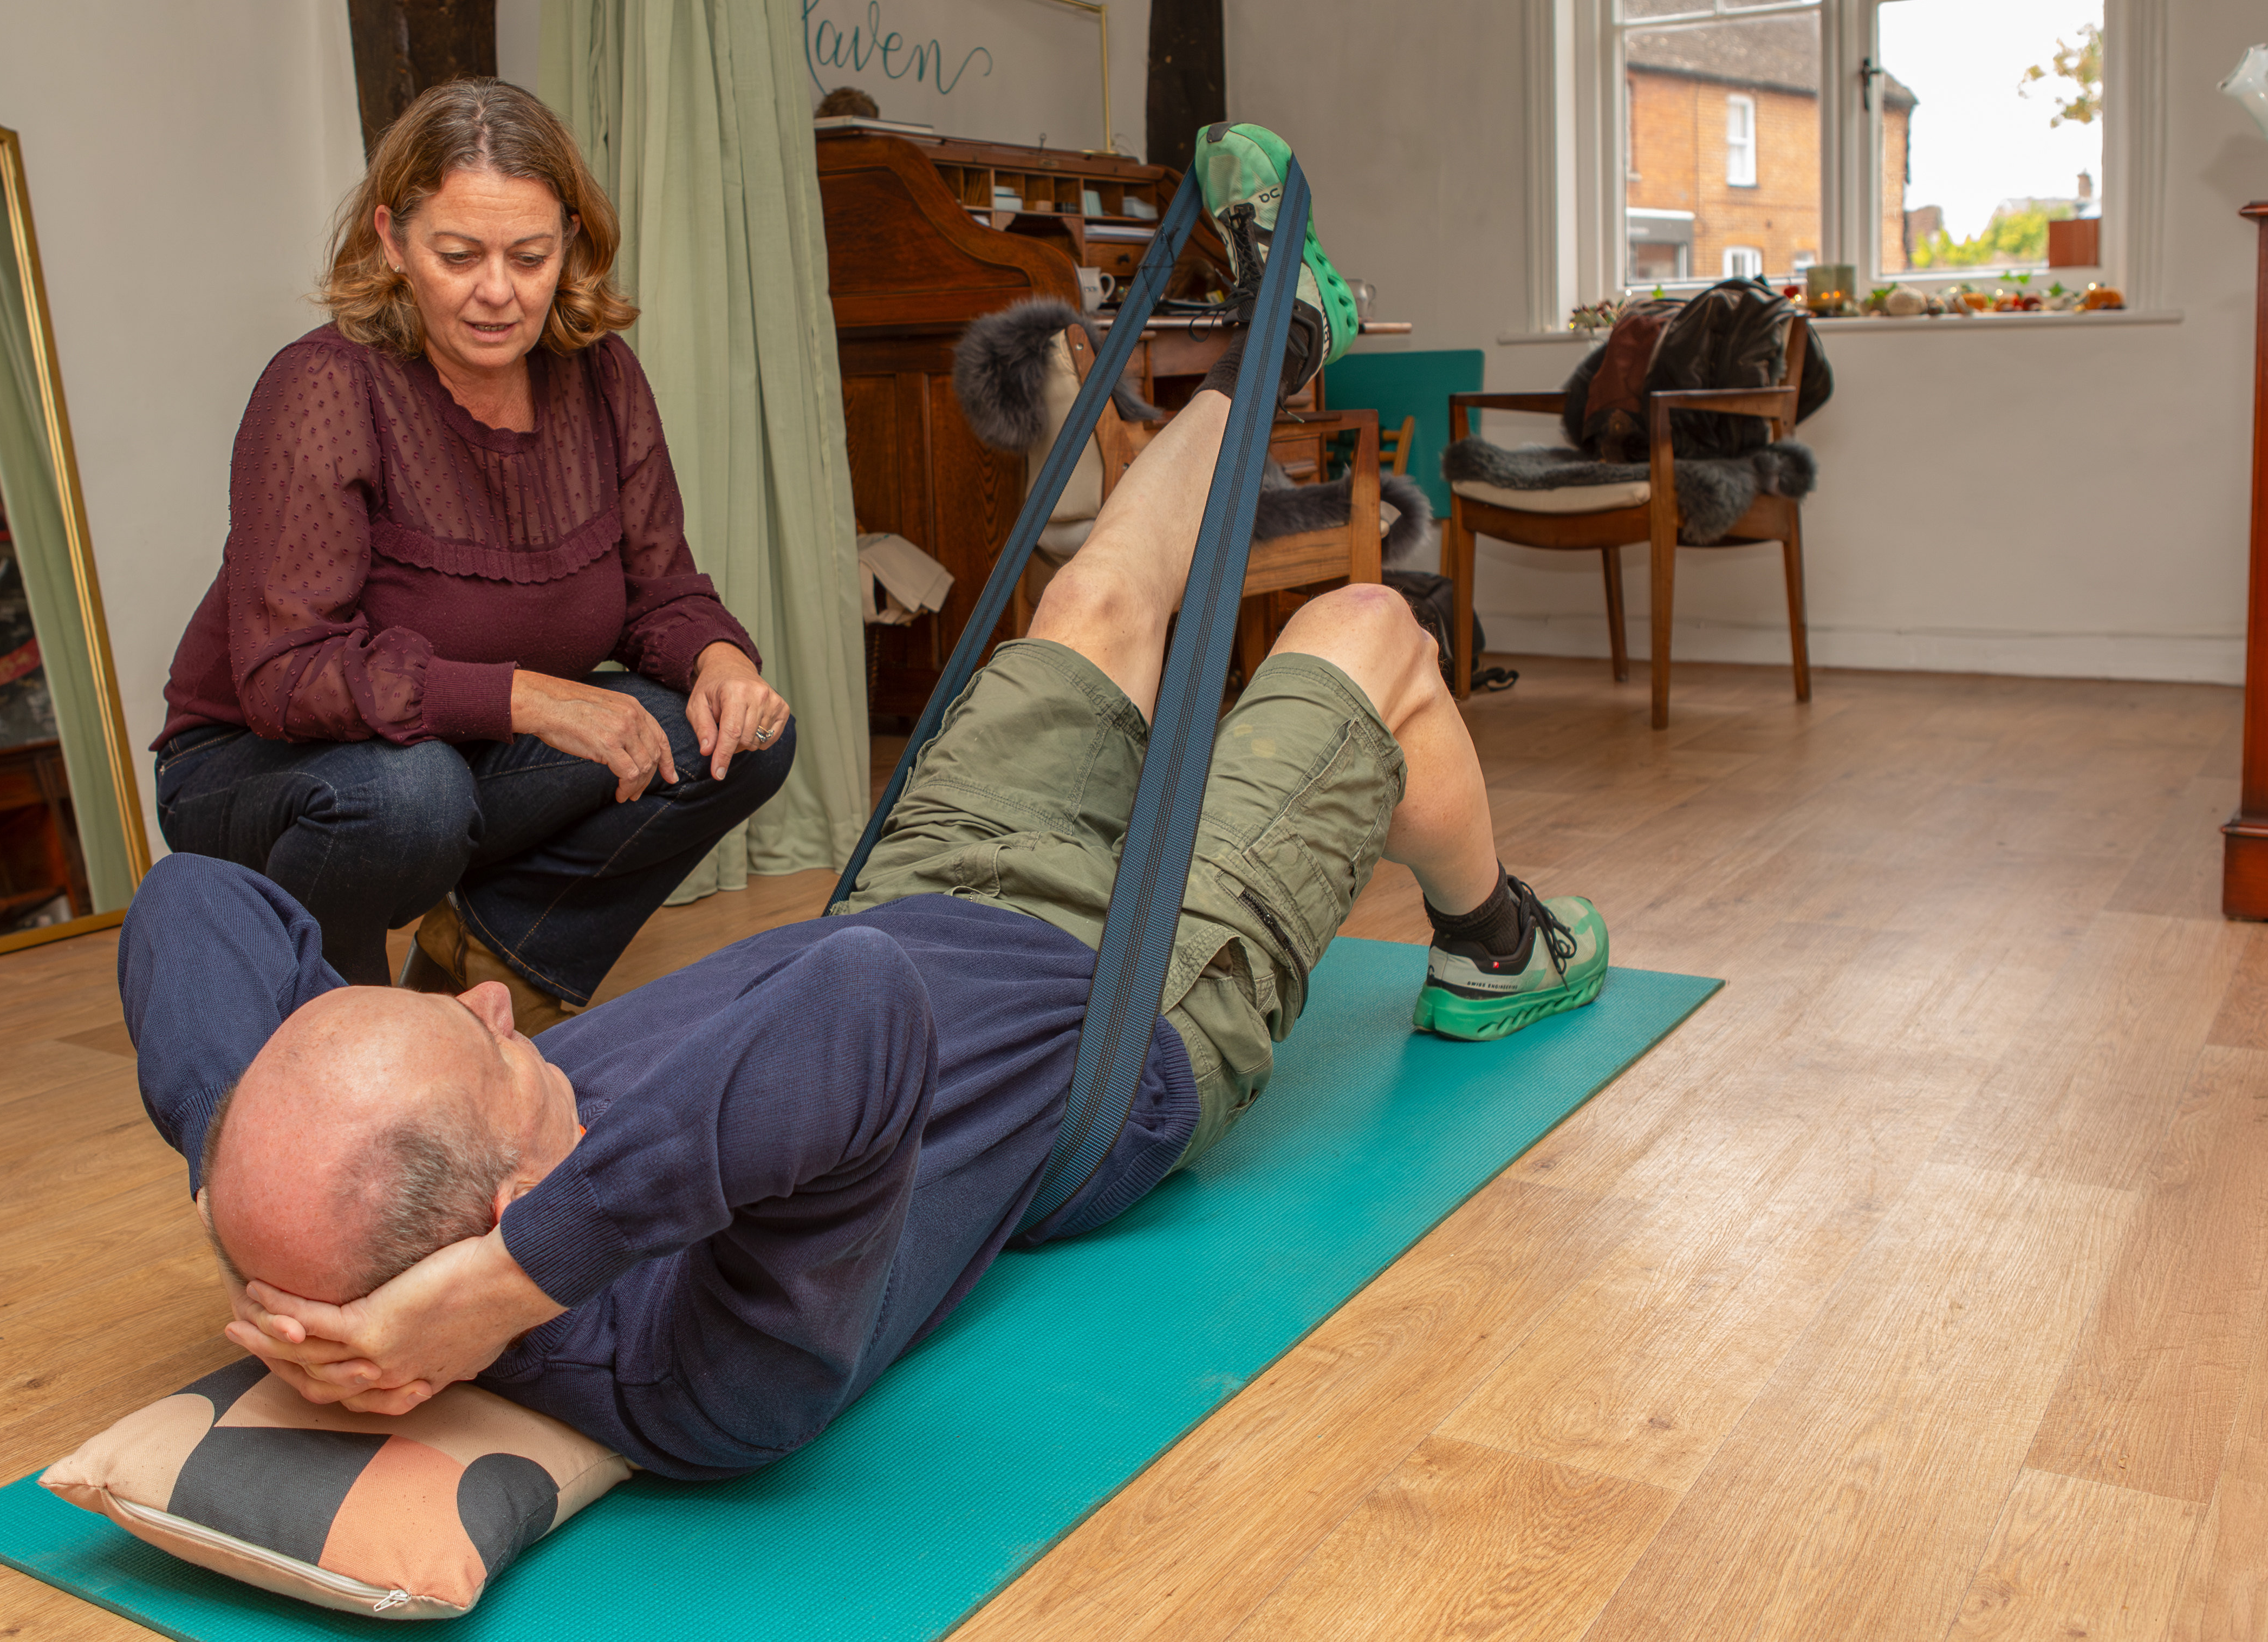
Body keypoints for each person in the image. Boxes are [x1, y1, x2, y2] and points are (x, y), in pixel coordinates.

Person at [118, 125, 1607, 1481]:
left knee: (1088, 600)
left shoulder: (442, 1202)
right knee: (1362, 633)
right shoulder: (690, 1367)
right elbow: (853, 997)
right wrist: (516, 1287)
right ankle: (1495, 943)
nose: (508, 1010)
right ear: (507, 1205)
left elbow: (196, 898)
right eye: (480, 1045)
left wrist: (238, 1172)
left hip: (943, 885)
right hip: (1124, 1005)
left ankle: (1276, 347)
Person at [153, 80, 795, 1007]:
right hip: (258, 767)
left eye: (529, 256)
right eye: (458, 255)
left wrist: (722, 659)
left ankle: (491, 962)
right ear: (392, 241)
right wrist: (531, 700)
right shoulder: (323, 387)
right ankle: (338, 1030)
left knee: (737, 738)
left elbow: (659, 589)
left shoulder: (601, 378)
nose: (498, 292)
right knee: (408, 796)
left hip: (454, 752)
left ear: (568, 241)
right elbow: (285, 675)